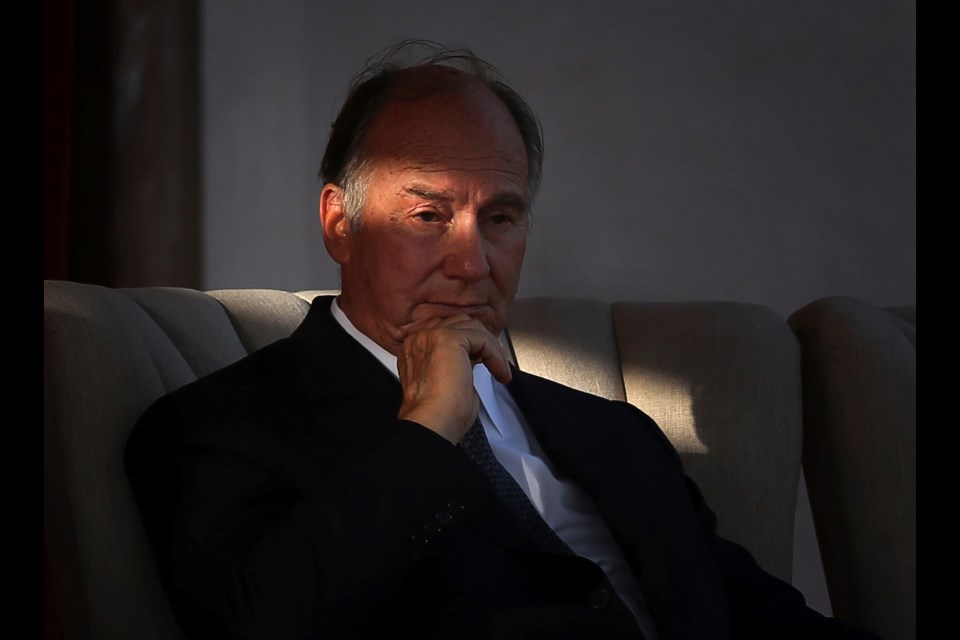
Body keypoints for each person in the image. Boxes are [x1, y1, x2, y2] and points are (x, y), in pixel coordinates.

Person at [125, 40, 880, 639]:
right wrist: (427, 429)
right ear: (339, 223)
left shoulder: (614, 433)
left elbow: (758, 615)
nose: (472, 261)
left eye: (501, 219)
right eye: (429, 216)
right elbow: (266, 620)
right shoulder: (214, 430)